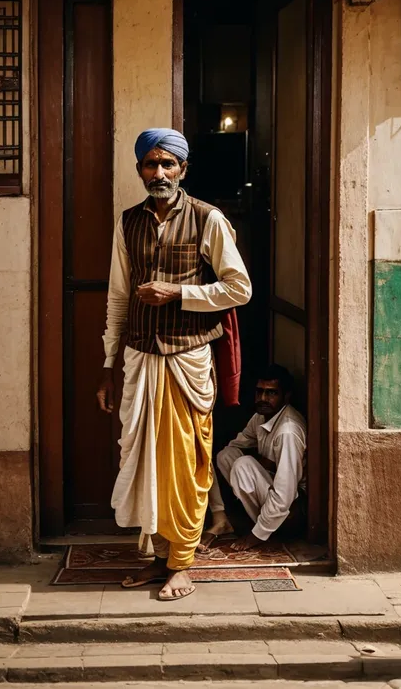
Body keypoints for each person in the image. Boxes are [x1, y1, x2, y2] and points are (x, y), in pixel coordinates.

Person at [97, 128, 251, 600]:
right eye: (150, 164)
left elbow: (239, 288)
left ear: (183, 170)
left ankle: (183, 563)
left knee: (185, 462)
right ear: (140, 169)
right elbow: (119, 297)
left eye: (168, 164)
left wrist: (179, 292)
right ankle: (159, 556)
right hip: (141, 359)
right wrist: (108, 364)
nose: (158, 173)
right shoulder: (128, 222)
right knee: (144, 460)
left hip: (188, 359)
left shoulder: (209, 219)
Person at [199, 365, 306, 552]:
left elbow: (285, 494)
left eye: (271, 393)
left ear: (285, 396)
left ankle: (264, 530)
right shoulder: (261, 416)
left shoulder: (288, 431)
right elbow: (236, 446)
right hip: (272, 486)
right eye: (260, 392)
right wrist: (264, 462)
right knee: (226, 456)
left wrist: (255, 537)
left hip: (293, 511)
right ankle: (225, 518)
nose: (263, 398)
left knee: (243, 465)